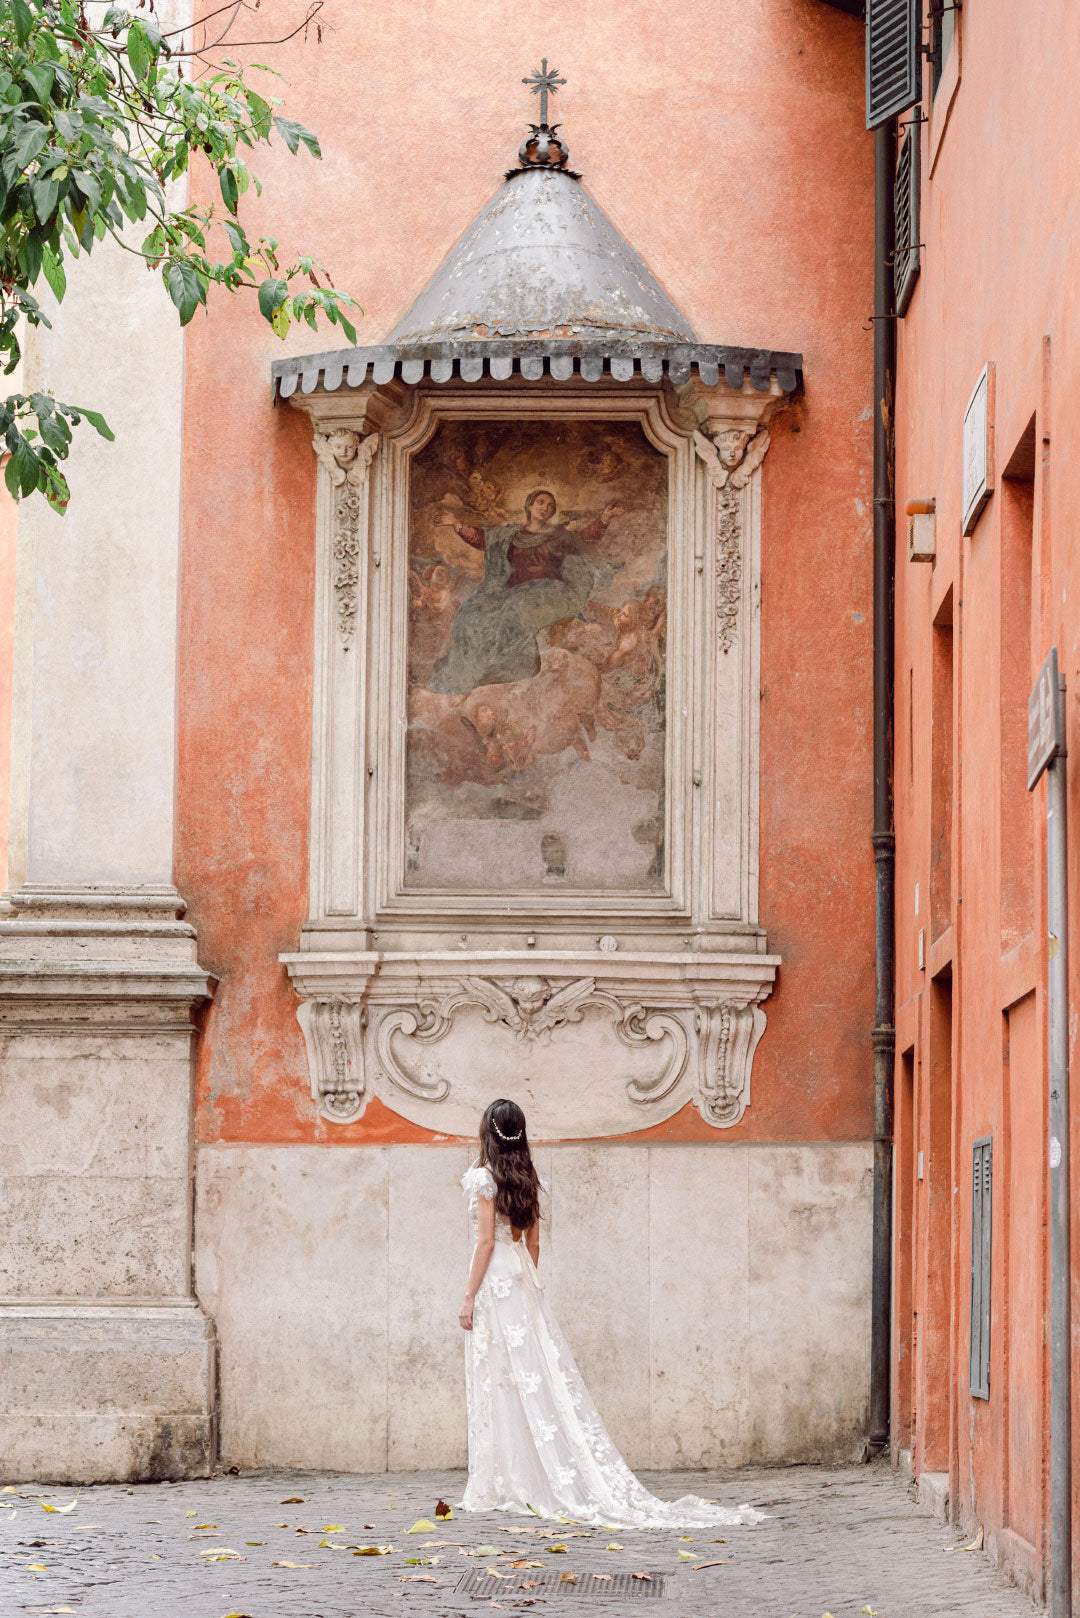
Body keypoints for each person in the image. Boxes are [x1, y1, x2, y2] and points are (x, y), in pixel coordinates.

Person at [457, 1098, 765, 1530]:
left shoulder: (481, 1179)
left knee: (502, 1376)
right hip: (522, 1280)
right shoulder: (529, 1178)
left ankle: (507, 1480)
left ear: (487, 1132)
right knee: (535, 1373)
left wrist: (469, 1296)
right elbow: (534, 1246)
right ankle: (526, 1475)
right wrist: (525, 1287)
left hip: (494, 1280)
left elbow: (485, 1243)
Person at [430, 490, 624, 694]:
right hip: (509, 590)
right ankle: (468, 672)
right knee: (469, 614)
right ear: (530, 506)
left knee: (513, 611)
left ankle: (511, 668)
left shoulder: (558, 536)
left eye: (550, 506)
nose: (545, 508)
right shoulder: (509, 534)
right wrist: (456, 523)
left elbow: (584, 539)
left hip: (547, 591)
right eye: (541, 502)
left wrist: (604, 518)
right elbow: (483, 539)